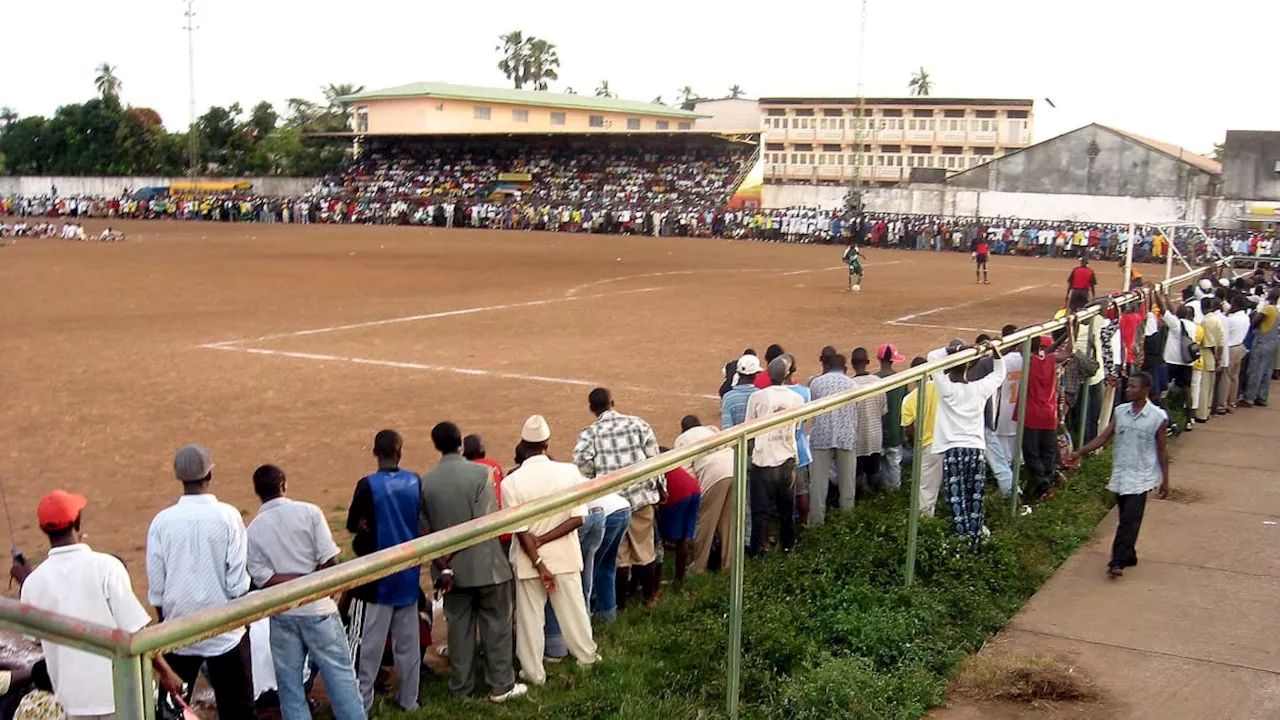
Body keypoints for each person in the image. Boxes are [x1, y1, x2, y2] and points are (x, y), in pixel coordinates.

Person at [14, 490, 184, 719]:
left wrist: (27, 582)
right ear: (77, 522)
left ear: (43, 529)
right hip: (121, 698)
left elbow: (35, 639)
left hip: (72, 703)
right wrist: (166, 672)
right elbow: (136, 632)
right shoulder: (106, 567)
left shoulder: (33, 583)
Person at [245, 465, 367, 720]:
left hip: (283, 614)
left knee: (290, 689)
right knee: (341, 678)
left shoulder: (254, 529)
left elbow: (264, 579)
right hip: (318, 609)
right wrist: (311, 582)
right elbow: (329, 562)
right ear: (284, 485)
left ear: (257, 492)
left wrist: (296, 583)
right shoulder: (309, 512)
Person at [147, 445, 256, 719]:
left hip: (178, 630)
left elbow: (157, 588)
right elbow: (237, 583)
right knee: (239, 710)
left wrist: (167, 623)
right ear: (209, 474)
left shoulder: (162, 522)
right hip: (226, 630)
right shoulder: (228, 516)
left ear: (179, 477)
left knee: (171, 712)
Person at [419, 423, 525, 703]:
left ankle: (461, 688)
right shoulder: (481, 473)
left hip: (449, 573)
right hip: (486, 566)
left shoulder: (426, 481)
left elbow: (425, 531)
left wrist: (445, 563)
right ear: (459, 443)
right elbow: (483, 523)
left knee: (459, 630)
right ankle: (501, 685)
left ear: (436, 446)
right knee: (497, 625)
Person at [505, 416, 600, 686]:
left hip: (528, 561)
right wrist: (545, 539)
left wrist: (538, 558)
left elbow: (520, 530)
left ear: (523, 445)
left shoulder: (511, 482)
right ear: (547, 444)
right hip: (564, 556)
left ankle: (533, 673)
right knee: (574, 612)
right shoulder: (569, 472)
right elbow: (578, 518)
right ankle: (587, 658)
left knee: (529, 620)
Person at [345, 430, 422, 713]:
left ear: (375, 452)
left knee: (369, 649)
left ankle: (361, 705)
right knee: (408, 647)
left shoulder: (367, 485)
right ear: (400, 452)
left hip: (377, 580)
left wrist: (366, 527)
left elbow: (353, 524)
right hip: (408, 575)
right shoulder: (415, 481)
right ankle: (410, 700)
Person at [1071, 372, 1169, 578]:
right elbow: (1105, 437)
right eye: (1128, 386)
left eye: (1133, 387)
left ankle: (1117, 561)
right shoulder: (1121, 412)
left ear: (1145, 390)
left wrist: (1165, 480)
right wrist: (1080, 452)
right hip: (1121, 473)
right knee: (1126, 516)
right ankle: (1129, 554)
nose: (1128, 389)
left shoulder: (1157, 418)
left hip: (1142, 477)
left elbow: (1161, 450)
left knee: (1129, 521)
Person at [572, 388, 662, 610]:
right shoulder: (638, 424)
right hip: (641, 495)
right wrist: (661, 487)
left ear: (592, 409)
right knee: (645, 548)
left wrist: (595, 476)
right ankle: (649, 598)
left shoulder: (589, 433)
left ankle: (620, 605)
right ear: (612, 402)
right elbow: (655, 457)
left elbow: (581, 464)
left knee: (619, 557)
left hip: (612, 503)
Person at [929, 340, 1007, 544]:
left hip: (953, 450)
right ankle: (975, 537)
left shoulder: (945, 388)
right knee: (975, 496)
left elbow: (932, 358)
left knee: (957, 497)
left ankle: (962, 540)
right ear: (970, 366)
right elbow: (999, 374)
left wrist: (953, 350)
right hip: (976, 450)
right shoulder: (979, 388)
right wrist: (995, 352)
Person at [744, 357, 805, 556]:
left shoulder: (758, 397)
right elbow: (796, 427)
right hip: (787, 459)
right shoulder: (797, 398)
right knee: (787, 510)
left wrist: (753, 451)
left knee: (760, 513)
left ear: (768, 375)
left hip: (763, 462)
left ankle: (757, 552)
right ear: (788, 375)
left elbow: (748, 430)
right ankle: (788, 546)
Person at [673, 415, 736, 573]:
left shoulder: (682, 439)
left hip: (714, 476)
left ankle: (699, 566)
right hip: (735, 468)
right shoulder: (712, 430)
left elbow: (687, 473)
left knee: (705, 522)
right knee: (728, 521)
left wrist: (696, 498)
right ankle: (727, 565)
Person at [808, 349, 859, 521]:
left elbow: (812, 408)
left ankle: (816, 523)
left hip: (821, 436)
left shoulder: (816, 383)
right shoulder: (853, 384)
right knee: (847, 485)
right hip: (846, 437)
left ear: (828, 366)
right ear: (845, 368)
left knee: (817, 486)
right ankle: (847, 522)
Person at [900, 357, 943, 515]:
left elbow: (909, 429)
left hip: (926, 445)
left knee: (925, 487)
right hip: (947, 441)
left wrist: (914, 445)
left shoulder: (910, 399)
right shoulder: (941, 389)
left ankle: (925, 522)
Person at [656, 450, 702, 592]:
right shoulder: (668, 462)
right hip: (693, 488)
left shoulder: (651, 464)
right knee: (683, 538)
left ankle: (653, 589)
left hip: (677, 493)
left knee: (657, 540)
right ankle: (679, 582)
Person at [849, 348, 888, 492]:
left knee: (857, 473)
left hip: (857, 437)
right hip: (874, 435)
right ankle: (875, 501)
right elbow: (883, 410)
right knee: (874, 471)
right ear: (868, 362)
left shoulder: (849, 385)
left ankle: (859, 502)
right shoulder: (878, 382)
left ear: (852, 363)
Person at [876, 345, 908, 491]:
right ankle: (894, 496)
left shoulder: (874, 380)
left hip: (876, 434)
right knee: (894, 466)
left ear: (879, 359)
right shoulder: (901, 381)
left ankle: (876, 497)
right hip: (895, 433)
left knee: (876, 468)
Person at [1241, 288, 1279, 407]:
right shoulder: (1277, 311)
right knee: (1266, 371)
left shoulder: (1267, 309)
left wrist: (1251, 328)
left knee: (1255, 370)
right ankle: (1261, 397)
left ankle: (1249, 398)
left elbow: (1256, 321)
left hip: (1262, 341)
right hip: (1272, 342)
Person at [721, 355, 761, 428]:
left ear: (738, 373)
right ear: (755, 375)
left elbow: (727, 427)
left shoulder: (728, 398)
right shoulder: (762, 395)